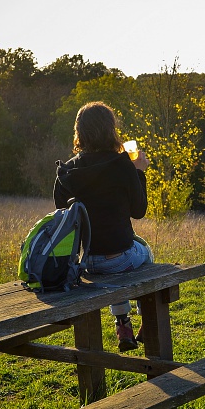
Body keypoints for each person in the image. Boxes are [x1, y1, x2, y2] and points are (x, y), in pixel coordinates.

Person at [53, 101, 152, 351]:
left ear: (79, 132)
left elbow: (63, 219)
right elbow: (139, 212)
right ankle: (149, 321)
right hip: (120, 258)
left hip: (85, 265)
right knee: (145, 251)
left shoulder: (66, 171)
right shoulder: (122, 166)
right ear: (111, 130)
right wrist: (138, 171)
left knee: (127, 252)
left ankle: (123, 324)